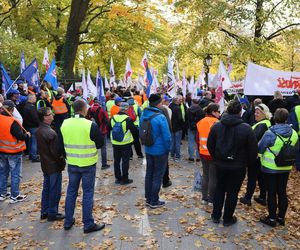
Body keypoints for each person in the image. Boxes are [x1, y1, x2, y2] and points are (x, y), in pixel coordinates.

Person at [207, 100, 258, 226]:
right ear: (240, 112)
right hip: (237, 167)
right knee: (232, 192)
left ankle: (216, 215)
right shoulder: (246, 129)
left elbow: (210, 145)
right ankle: (227, 218)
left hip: (223, 165)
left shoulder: (217, 126)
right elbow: (253, 151)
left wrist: (217, 158)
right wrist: (246, 163)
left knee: (220, 188)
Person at [61, 99, 105, 233]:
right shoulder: (90, 124)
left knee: (71, 192)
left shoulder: (65, 123)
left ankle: (68, 221)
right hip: (88, 163)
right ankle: (88, 224)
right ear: (85, 109)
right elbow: (100, 143)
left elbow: (61, 142)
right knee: (87, 193)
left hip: (72, 163)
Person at [259, 108, 298, 227]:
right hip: (286, 166)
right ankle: (281, 217)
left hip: (270, 167)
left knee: (271, 193)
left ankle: (271, 218)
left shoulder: (270, 133)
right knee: (282, 192)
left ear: (274, 118)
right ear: (286, 119)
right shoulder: (294, 133)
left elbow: (261, 148)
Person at [140, 94, 172, 208]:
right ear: (158, 103)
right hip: (160, 151)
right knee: (157, 175)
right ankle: (154, 201)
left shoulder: (144, 114)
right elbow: (167, 136)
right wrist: (168, 149)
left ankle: (148, 198)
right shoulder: (160, 117)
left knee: (149, 173)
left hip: (148, 149)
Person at [36, 107, 65, 221]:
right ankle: (52, 213)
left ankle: (45, 211)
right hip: (53, 166)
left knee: (47, 188)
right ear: (45, 118)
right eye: (49, 114)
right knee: (54, 190)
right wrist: (62, 162)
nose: (52, 114)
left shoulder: (40, 130)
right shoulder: (50, 132)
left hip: (45, 165)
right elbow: (56, 152)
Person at [240, 103, 271, 206]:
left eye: (258, 112)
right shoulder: (265, 123)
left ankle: (248, 198)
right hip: (261, 156)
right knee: (261, 177)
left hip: (256, 156)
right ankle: (263, 197)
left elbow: (254, 139)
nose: (255, 114)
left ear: (264, 113)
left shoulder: (263, 124)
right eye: (255, 112)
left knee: (252, 177)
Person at [0, 100, 30, 203]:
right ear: (12, 110)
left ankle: (2, 193)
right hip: (14, 152)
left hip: (2, 151)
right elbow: (20, 136)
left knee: (3, 173)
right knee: (15, 174)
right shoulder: (13, 121)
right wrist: (27, 135)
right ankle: (15, 195)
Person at [196, 103, 220, 206]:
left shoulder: (201, 122)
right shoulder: (217, 123)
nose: (220, 113)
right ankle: (211, 200)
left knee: (206, 175)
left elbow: (197, 139)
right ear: (213, 112)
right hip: (213, 154)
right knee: (213, 177)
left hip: (203, 152)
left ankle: (204, 198)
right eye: (218, 111)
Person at [109, 102, 138, 185]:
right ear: (127, 109)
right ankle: (125, 179)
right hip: (126, 143)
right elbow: (134, 131)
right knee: (125, 161)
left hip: (115, 143)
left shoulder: (113, 118)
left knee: (116, 161)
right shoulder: (127, 119)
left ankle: (118, 178)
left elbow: (108, 128)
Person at [87, 100, 110, 170]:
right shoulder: (102, 110)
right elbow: (107, 120)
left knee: (91, 147)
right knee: (103, 148)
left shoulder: (89, 109)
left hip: (91, 130)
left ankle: (91, 163)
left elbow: (87, 118)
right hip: (102, 131)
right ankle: (104, 164)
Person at [160, 95, 173, 188]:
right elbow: (167, 131)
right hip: (161, 145)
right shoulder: (166, 110)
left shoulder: (147, 112)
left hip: (150, 147)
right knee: (164, 163)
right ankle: (165, 181)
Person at [187, 97, 205, 162]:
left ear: (192, 102)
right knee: (198, 142)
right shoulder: (201, 110)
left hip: (190, 127)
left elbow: (187, 118)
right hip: (199, 127)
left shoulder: (189, 109)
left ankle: (191, 156)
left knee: (191, 142)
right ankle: (198, 157)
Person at [23, 94, 40, 162]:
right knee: (34, 142)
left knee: (30, 142)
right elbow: (35, 118)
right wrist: (39, 124)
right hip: (33, 126)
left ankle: (31, 155)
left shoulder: (26, 106)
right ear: (31, 99)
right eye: (35, 98)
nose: (35, 99)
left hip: (28, 126)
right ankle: (34, 156)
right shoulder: (32, 107)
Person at [169, 95, 185, 162]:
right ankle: (177, 156)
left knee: (172, 142)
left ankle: (172, 155)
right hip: (177, 127)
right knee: (177, 142)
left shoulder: (170, 106)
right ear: (176, 100)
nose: (180, 101)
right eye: (179, 100)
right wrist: (183, 124)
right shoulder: (177, 108)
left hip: (171, 126)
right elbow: (180, 118)